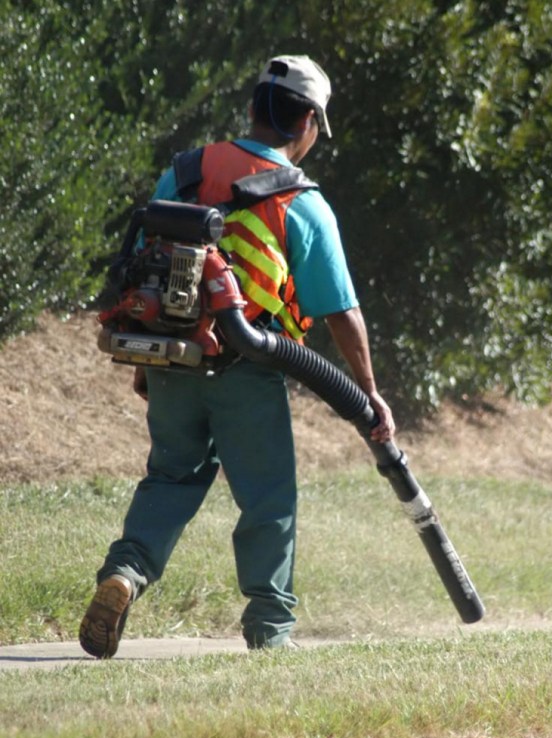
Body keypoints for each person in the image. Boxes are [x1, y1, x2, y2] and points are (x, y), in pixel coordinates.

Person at [79, 54, 395, 658]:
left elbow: (149, 269)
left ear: (253, 109)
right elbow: (340, 311)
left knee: (171, 476)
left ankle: (124, 573)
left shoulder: (187, 171)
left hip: (175, 358)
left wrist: (151, 363)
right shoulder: (301, 201)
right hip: (248, 369)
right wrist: (368, 390)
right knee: (268, 496)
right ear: (306, 123)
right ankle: (270, 629)